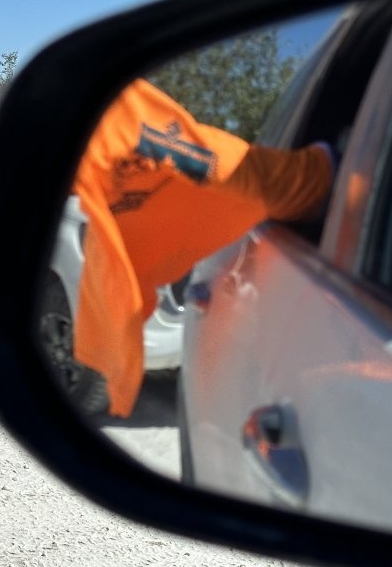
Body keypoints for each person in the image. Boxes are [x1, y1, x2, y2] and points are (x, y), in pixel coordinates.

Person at [71, 78, 334, 418]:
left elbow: (218, 163)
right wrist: (319, 175)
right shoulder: (109, 138)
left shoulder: (114, 126)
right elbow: (230, 167)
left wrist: (319, 177)